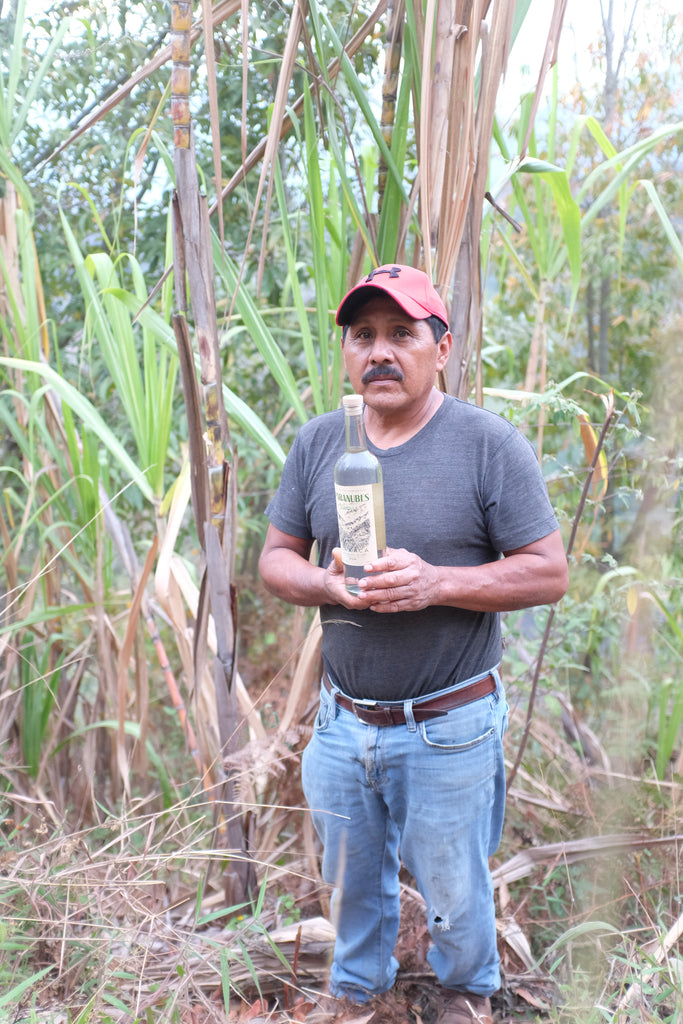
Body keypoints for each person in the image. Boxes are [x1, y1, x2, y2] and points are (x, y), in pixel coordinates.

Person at [258, 264, 568, 1024]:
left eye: (402, 333)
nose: (379, 353)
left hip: (448, 725)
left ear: (443, 347)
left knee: (453, 885)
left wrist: (436, 583)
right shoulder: (319, 444)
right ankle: (357, 995)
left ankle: (466, 993)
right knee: (350, 877)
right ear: (346, 355)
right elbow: (274, 560)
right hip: (342, 721)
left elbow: (548, 573)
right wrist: (328, 587)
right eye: (362, 336)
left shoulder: (485, 445)